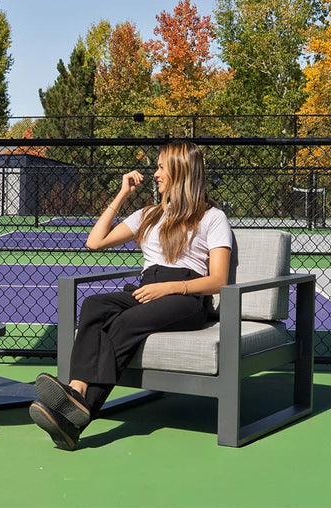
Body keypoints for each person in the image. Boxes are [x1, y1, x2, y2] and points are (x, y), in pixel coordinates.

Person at [29, 141, 232, 450]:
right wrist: (122, 194)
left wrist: (170, 287)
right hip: (147, 288)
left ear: (181, 171)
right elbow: (95, 242)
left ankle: (80, 413)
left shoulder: (212, 217)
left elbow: (218, 280)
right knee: (94, 305)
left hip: (186, 297)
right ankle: (77, 389)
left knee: (124, 323)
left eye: (162, 167)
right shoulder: (148, 214)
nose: (156, 174)